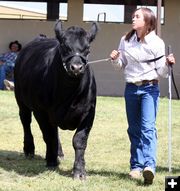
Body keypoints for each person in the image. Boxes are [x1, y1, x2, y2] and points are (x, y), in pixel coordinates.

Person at [110, 7, 176, 185]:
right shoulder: (125, 40)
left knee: (147, 128)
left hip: (149, 89)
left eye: (137, 16)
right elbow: (121, 65)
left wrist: (168, 64)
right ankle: (136, 167)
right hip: (131, 89)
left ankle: (149, 166)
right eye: (133, 16)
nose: (133, 19)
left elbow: (161, 72)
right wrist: (116, 58)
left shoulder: (156, 43)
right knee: (134, 130)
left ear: (147, 21)